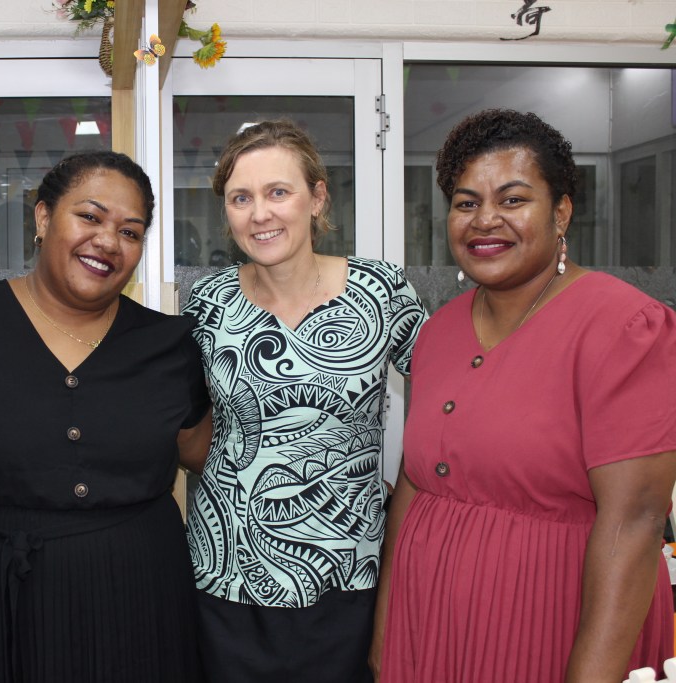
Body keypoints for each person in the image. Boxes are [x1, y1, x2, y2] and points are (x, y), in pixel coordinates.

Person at [372, 109, 676, 682]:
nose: (485, 220)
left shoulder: (623, 327)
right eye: (466, 203)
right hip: (433, 623)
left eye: (512, 200)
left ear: (561, 212)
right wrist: (387, 629)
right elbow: (417, 478)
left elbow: (634, 520)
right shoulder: (439, 332)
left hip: (557, 623)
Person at [0, 150, 213, 682]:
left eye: (130, 231)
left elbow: (203, 454)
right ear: (44, 216)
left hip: (139, 598)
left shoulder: (169, 345)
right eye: (90, 216)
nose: (108, 242)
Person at [181, 119, 427, 681]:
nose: (259, 214)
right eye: (241, 198)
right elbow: (185, 425)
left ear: (317, 198)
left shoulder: (382, 292)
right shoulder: (208, 303)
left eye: (278, 192)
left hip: (350, 576)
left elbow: (451, 400)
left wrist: (401, 485)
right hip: (226, 576)